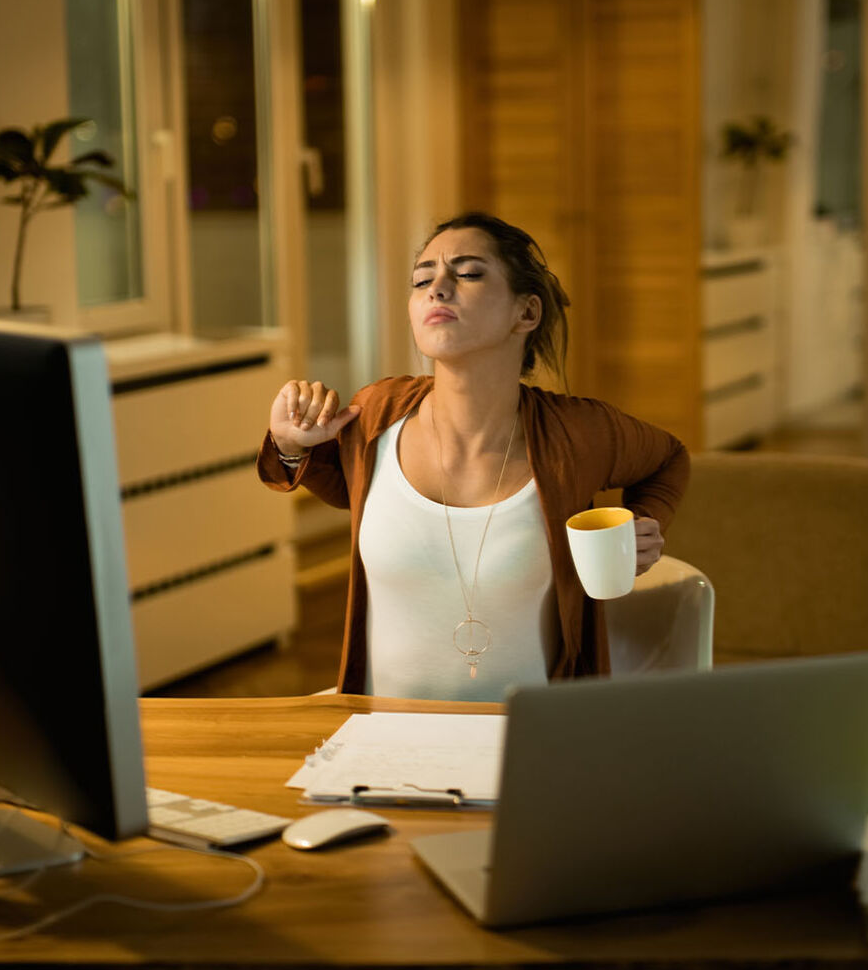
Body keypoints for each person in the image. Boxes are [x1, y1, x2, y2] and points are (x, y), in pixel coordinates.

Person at [257, 212, 688, 701]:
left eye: (467, 273)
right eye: (422, 280)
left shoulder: (579, 433)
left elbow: (669, 456)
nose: (436, 289)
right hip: (381, 741)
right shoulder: (378, 412)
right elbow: (352, 491)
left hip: (531, 744)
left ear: (525, 313)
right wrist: (291, 447)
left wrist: (644, 523)